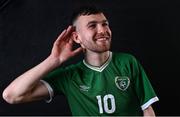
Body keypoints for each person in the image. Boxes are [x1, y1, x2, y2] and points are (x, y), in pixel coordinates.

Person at [2, 5, 159, 116]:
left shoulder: (128, 62)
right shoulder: (70, 76)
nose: (103, 30)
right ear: (77, 37)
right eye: (92, 26)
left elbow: (147, 110)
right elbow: (11, 95)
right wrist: (54, 60)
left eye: (105, 24)